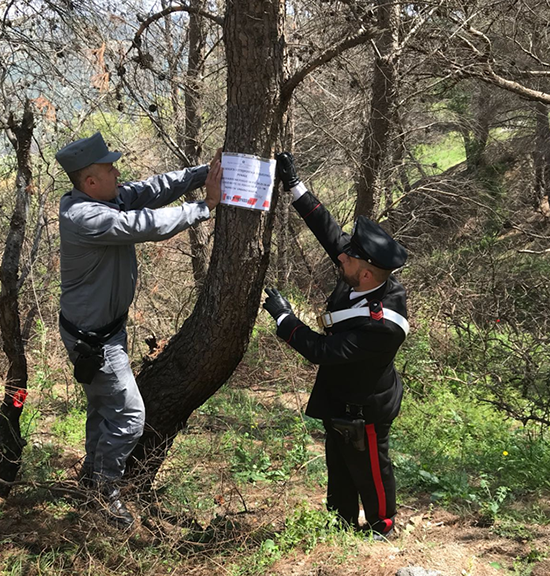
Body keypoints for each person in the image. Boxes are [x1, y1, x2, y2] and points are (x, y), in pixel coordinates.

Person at [55, 132, 222, 527]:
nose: (118, 173)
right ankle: (106, 494)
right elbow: (145, 224)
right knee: (129, 416)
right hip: (92, 341)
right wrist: (206, 206)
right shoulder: (86, 216)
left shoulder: (101, 198)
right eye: (109, 169)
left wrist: (203, 172)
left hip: (104, 331)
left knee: (103, 410)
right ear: (90, 182)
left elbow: (151, 190)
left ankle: (91, 483)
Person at [263, 152, 408, 540]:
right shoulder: (362, 274)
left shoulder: (384, 324)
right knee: (340, 467)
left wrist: (284, 319)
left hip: (367, 406)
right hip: (340, 396)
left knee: (372, 469)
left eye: (348, 257)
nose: (340, 256)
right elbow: (330, 233)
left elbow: (323, 351)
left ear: (363, 272)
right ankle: (341, 523)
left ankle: (383, 526)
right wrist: (295, 185)